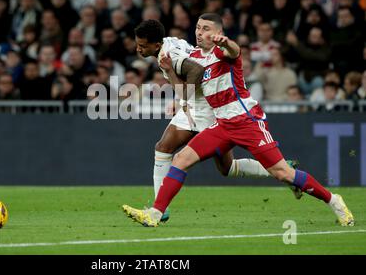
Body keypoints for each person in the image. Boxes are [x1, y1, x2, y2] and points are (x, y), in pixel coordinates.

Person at [123, 14, 354, 227]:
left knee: (282, 173)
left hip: (246, 121)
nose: (199, 32)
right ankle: (155, 213)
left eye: (206, 29)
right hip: (221, 124)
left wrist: (225, 42)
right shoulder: (194, 56)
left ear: (217, 32)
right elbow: (185, 79)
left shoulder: (222, 53)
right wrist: (173, 76)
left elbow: (235, 51)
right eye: (197, 28)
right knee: (181, 159)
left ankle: (333, 200)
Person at [132, 19, 302, 223]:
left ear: (157, 45)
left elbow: (196, 70)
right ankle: (285, 170)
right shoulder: (167, 43)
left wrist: (182, 98)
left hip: (204, 107)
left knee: (165, 148)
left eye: (142, 45)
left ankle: (159, 208)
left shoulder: (171, 55)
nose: (138, 49)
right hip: (199, 103)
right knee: (225, 168)